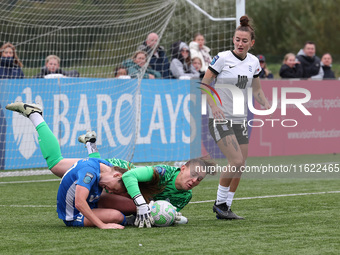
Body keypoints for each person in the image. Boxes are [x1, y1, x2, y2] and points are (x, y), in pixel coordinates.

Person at [200, 15, 271, 220]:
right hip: (220, 119)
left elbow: (257, 89)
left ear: (252, 43)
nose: (240, 43)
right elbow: (205, 84)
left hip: (240, 120)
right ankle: (219, 203)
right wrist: (213, 106)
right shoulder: (222, 58)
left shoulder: (254, 62)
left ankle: (227, 207)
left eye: (244, 41)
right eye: (237, 39)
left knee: (241, 164)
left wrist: (265, 102)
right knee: (236, 160)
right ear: (233, 40)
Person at [78, 131, 216, 214]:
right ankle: (91, 144)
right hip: (123, 170)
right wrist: (141, 204)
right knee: (93, 169)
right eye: (193, 175)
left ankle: (90, 143)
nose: (194, 181)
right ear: (183, 168)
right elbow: (129, 176)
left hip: (132, 193)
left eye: (199, 179)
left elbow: (165, 212)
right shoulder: (164, 172)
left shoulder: (186, 196)